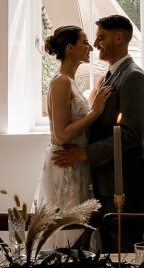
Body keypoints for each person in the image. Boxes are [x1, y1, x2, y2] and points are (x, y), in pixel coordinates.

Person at [53, 15, 144, 252]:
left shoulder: (133, 77)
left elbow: (131, 134)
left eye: (100, 38)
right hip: (103, 182)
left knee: (124, 253)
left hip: (123, 183)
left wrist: (84, 153)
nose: (95, 44)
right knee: (107, 253)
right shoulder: (110, 76)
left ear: (119, 38)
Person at [32, 25, 113, 248]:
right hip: (64, 165)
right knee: (66, 229)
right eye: (85, 43)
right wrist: (95, 111)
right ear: (70, 48)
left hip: (77, 164)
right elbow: (61, 135)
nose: (90, 47)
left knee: (79, 229)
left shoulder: (73, 83)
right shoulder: (60, 82)